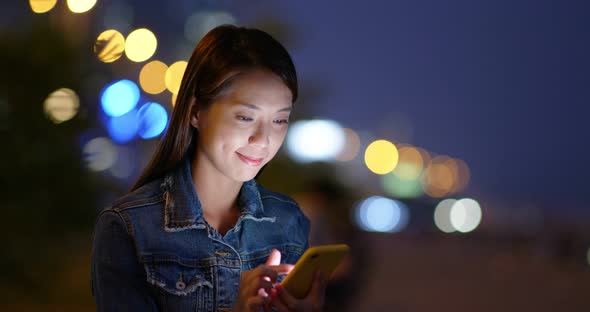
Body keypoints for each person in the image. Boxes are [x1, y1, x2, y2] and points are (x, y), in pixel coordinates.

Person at [91, 24, 326, 311]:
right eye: (244, 117)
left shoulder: (287, 221)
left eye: (279, 120)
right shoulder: (130, 227)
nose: (263, 140)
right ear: (195, 112)